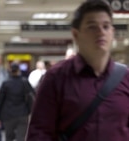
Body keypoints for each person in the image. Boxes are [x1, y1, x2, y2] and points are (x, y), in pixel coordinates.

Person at [26, 1, 129, 141]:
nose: (101, 32)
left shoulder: (125, 78)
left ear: (112, 32)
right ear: (76, 34)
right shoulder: (56, 78)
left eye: (106, 26)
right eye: (92, 27)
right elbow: (39, 133)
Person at [0, 62, 34, 141]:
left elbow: (0, 101)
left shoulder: (6, 84)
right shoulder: (25, 82)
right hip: (23, 114)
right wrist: (30, 111)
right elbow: (32, 96)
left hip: (8, 115)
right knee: (21, 138)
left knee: (8, 137)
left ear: (10, 70)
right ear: (19, 70)